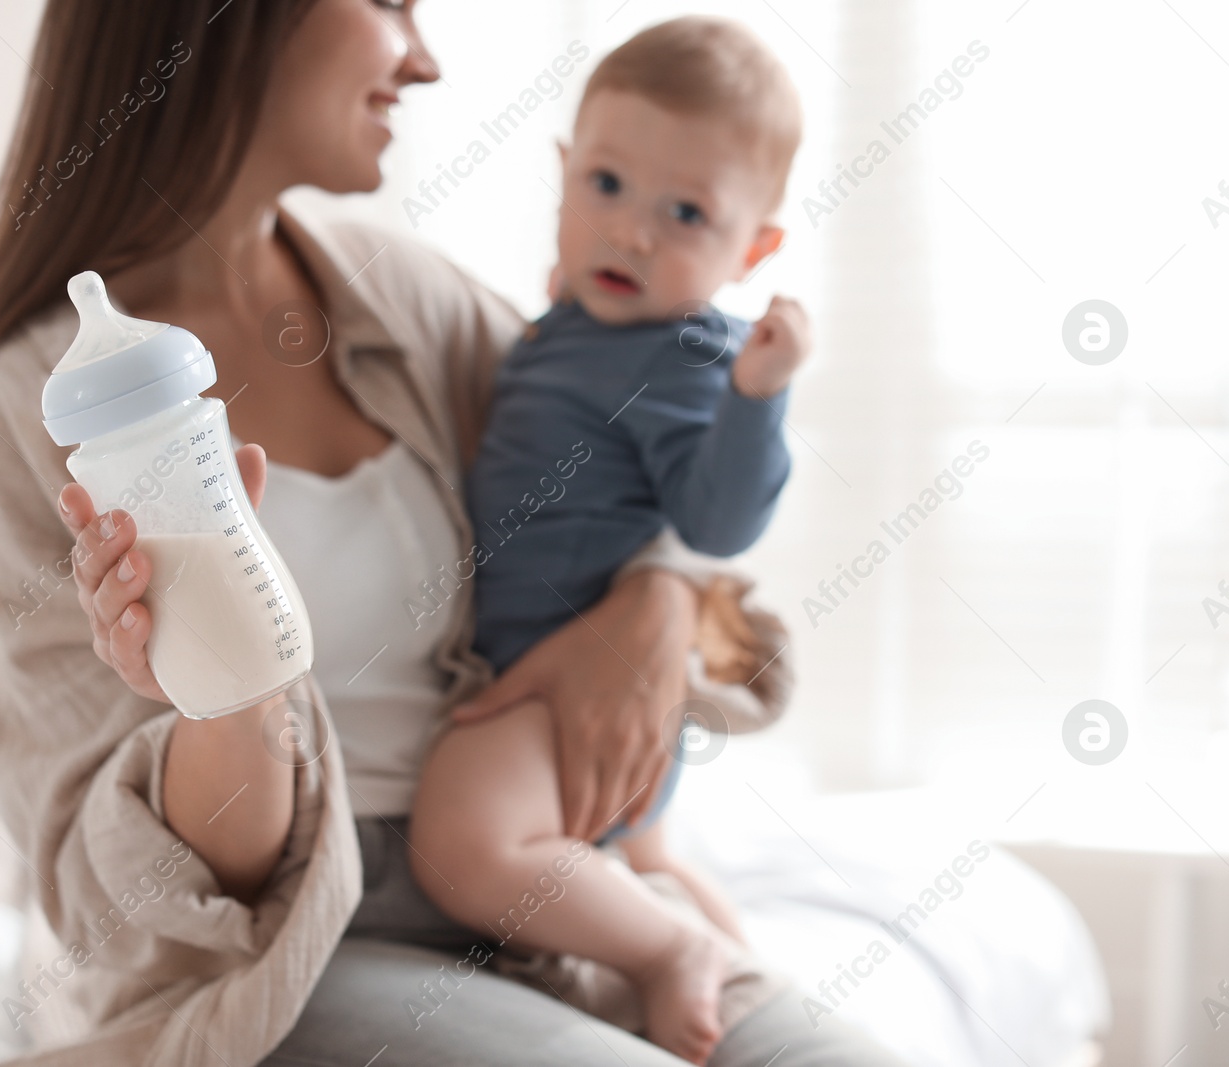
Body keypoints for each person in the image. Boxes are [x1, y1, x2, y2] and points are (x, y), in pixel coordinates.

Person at [0, 1, 909, 1064]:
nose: (427, 60)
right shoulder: (26, 413)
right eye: (390, 4)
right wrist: (232, 699)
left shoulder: (400, 297)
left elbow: (644, 434)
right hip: (288, 954)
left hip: (547, 904)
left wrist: (651, 597)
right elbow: (125, 900)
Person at [409, 19, 808, 1064]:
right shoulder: (585, 321)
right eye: (605, 186)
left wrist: (756, 396)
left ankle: (673, 953)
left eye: (685, 213)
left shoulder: (689, 356)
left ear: (752, 249)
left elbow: (715, 522)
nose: (631, 233)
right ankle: (725, 950)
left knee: (464, 838)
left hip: (567, 684)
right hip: (567, 671)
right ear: (562, 175)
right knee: (643, 849)